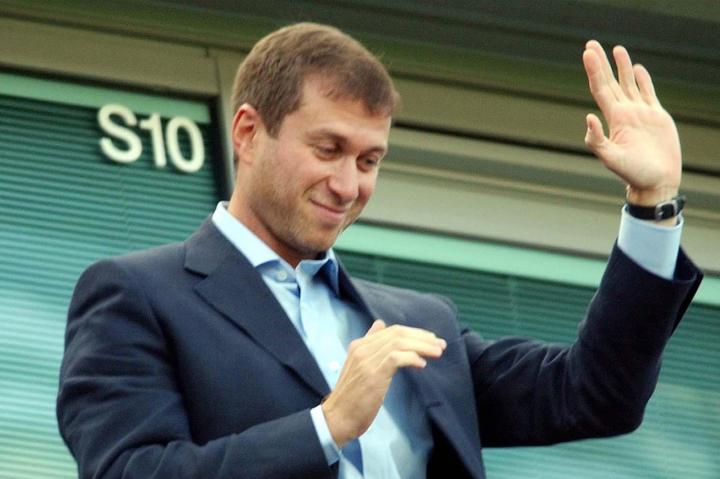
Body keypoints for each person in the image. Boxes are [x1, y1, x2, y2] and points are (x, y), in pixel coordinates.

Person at [57, 22, 702, 479]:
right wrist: (328, 425)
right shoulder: (138, 295)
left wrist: (652, 204)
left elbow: (593, 394)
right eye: (328, 149)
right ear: (249, 133)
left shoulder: (417, 325)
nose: (349, 185)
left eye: (369, 160)